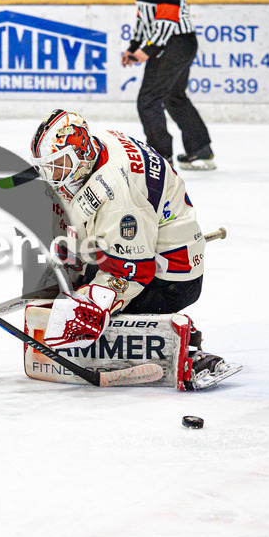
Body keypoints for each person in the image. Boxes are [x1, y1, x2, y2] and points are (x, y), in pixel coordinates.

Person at [26, 109, 240, 390]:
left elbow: (134, 271)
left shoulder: (119, 193)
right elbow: (92, 211)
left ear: (80, 153)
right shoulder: (98, 147)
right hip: (146, 243)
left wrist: (94, 302)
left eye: (59, 164)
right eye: (47, 167)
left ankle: (182, 346)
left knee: (88, 309)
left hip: (171, 279)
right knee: (76, 284)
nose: (52, 175)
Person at [122, 0, 214, 170]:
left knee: (148, 99)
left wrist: (147, 50)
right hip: (175, 43)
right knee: (173, 96)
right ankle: (200, 149)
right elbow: (145, 19)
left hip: (176, 42)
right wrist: (133, 47)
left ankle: (161, 157)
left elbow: (166, 21)